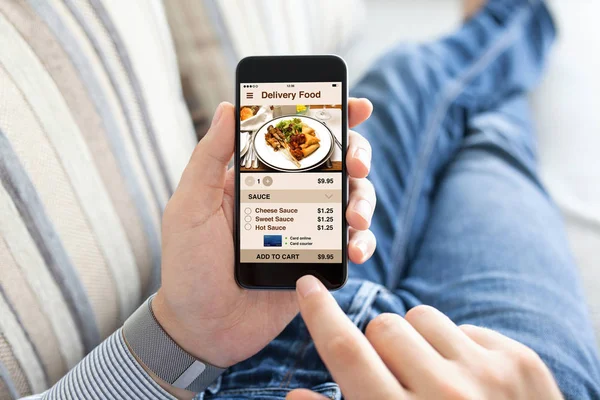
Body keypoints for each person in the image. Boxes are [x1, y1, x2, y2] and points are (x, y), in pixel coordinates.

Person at [26, 0, 600, 399]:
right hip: (481, 375)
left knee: (408, 79)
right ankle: (511, 31)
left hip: (234, 352)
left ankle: (504, 29)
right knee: (491, 146)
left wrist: (183, 332)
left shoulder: (207, 320)